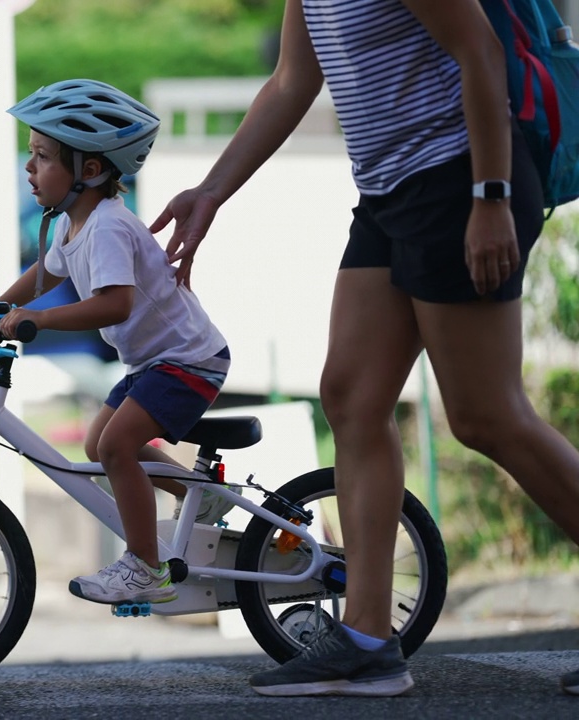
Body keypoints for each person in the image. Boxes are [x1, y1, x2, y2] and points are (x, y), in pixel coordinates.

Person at [150, 0, 579, 698]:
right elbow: (293, 81)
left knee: (487, 415)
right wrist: (212, 192)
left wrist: (491, 196)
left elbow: (481, 53)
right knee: (351, 397)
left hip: (461, 178)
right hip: (387, 192)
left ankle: (368, 639)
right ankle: (367, 640)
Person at [0, 78, 234, 607]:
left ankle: (145, 568)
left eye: (43, 156)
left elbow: (116, 305)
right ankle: (203, 497)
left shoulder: (109, 225)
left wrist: (36, 323)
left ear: (89, 170)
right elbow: (43, 277)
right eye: (32, 154)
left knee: (114, 447)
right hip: (154, 362)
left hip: (187, 360)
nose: (30, 168)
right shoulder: (75, 225)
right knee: (99, 446)